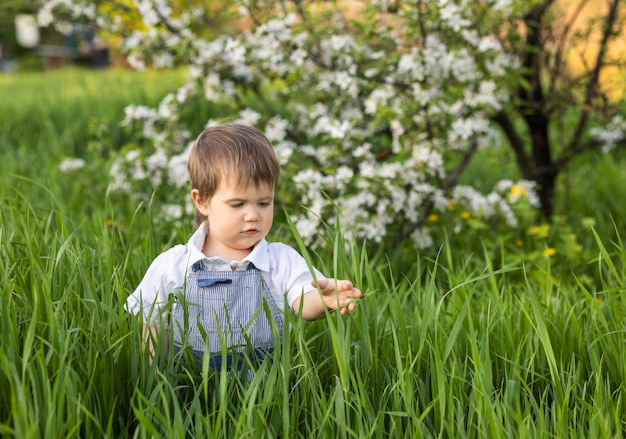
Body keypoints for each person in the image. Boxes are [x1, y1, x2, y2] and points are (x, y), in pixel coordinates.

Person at [126, 122, 362, 370]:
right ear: (202, 201)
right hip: (191, 385)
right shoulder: (174, 265)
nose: (253, 215)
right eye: (238, 204)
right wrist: (154, 382)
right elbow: (153, 328)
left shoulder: (279, 259)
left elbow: (302, 301)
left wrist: (322, 300)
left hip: (260, 388)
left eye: (263, 203)